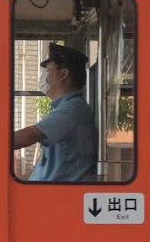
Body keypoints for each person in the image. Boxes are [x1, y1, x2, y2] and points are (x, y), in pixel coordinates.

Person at [13, 42, 97, 182]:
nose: (44, 77)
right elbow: (45, 169)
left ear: (63, 73)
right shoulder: (66, 108)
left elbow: (31, 135)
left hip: (60, 198)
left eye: (48, 71)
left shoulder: (72, 110)